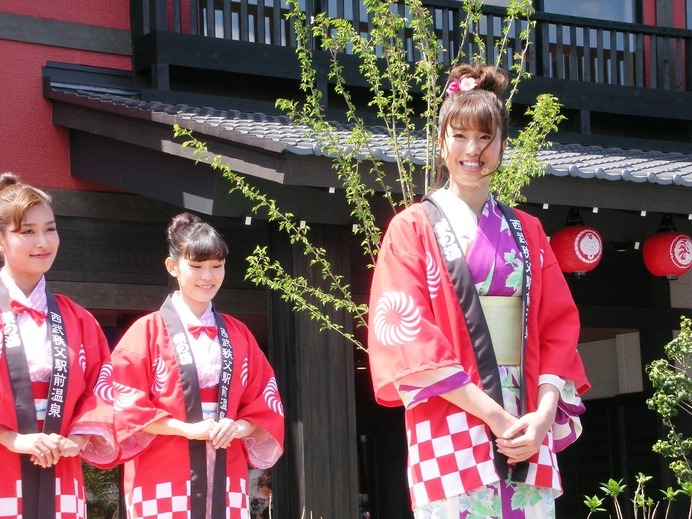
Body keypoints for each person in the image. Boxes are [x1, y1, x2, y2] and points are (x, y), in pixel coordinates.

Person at [367, 63, 591, 518]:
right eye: (460, 136)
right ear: (442, 142)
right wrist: (493, 416)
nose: (473, 150)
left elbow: (556, 328)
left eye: (486, 138)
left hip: (526, 410)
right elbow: (408, 334)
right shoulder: (411, 228)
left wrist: (544, 414)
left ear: (503, 145)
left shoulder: (528, 230)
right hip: (452, 407)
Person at [110, 212, 284, 519]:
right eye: (197, 266)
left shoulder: (239, 334)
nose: (208, 276)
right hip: (162, 473)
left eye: (217, 266)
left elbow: (263, 403)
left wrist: (238, 426)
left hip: (227, 473)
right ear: (172, 266)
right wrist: (188, 430)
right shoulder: (146, 331)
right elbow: (125, 406)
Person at [0, 172, 117, 519]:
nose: (43, 242)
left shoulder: (77, 318)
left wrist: (76, 440)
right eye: (28, 231)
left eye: (50, 228)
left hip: (61, 471)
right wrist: (11, 438)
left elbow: (102, 387)